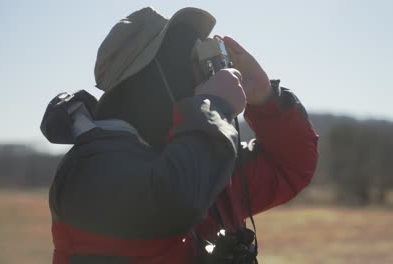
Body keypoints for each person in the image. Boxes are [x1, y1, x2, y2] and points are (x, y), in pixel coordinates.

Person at [40, 6, 319, 264]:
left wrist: (267, 99)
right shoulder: (89, 170)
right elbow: (174, 204)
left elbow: (291, 166)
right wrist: (214, 107)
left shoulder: (198, 155)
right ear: (149, 78)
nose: (203, 76)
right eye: (188, 61)